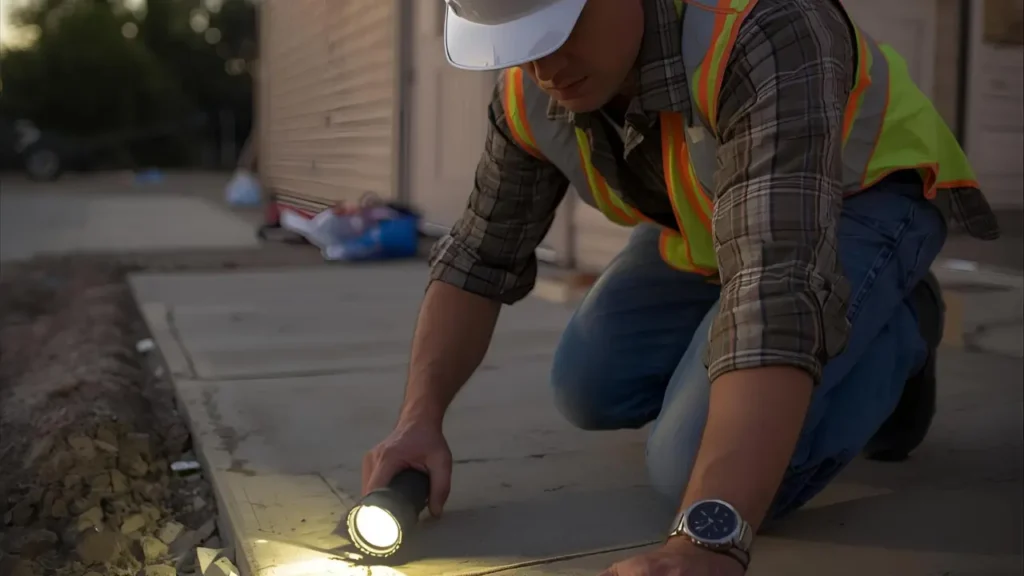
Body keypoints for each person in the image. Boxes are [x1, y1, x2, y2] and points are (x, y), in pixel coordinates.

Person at [362, 0, 1000, 573]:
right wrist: (416, 422)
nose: (545, 67)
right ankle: (828, 339)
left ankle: (901, 321)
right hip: (714, 225)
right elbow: (479, 254)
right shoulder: (526, 88)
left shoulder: (766, 26)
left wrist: (708, 540)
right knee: (588, 386)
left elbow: (774, 288)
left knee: (689, 466)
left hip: (861, 200)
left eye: (559, 29)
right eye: (521, 44)